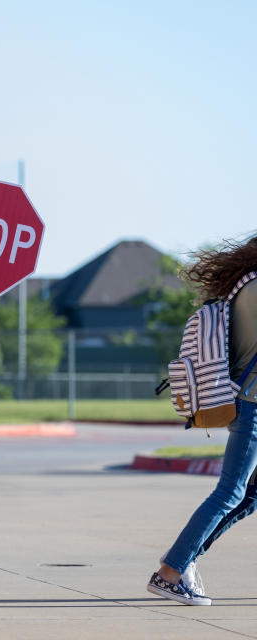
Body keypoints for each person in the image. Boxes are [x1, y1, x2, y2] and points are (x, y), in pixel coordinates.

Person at [147, 236, 257, 606]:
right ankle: (171, 571)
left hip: (246, 402)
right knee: (230, 492)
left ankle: (183, 559)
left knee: (249, 494)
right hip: (252, 405)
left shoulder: (245, 287)